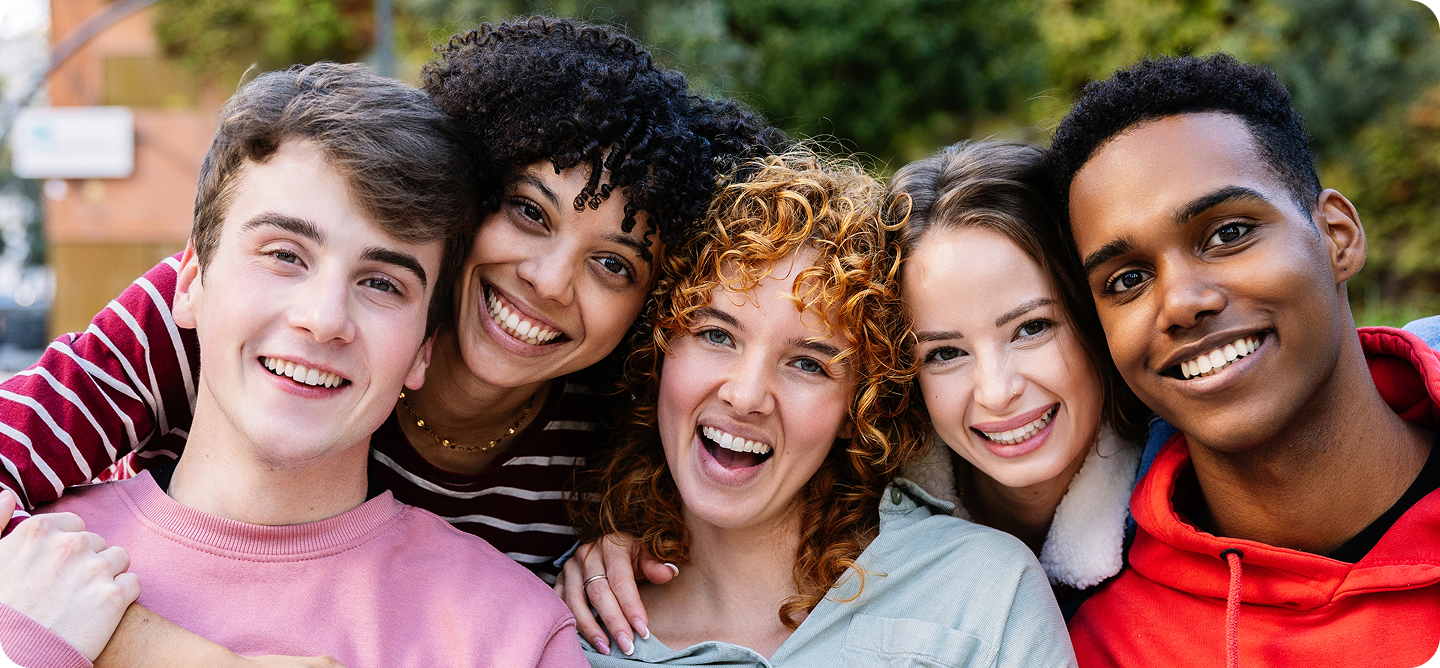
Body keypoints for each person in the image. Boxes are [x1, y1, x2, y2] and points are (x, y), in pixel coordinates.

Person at [0, 15, 779, 665]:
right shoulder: (194, 323)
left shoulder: (613, 430)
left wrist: (605, 551)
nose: (549, 279)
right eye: (530, 213)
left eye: (612, 263)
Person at [1, 62, 585, 668]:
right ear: (192, 282)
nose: (324, 317)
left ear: (422, 351)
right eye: (284, 254)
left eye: (382, 284)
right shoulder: (28, 566)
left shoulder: (513, 638)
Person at [562, 149, 1077, 667]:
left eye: (808, 364)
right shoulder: (566, 623)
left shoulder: (982, 595)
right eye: (716, 334)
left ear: (860, 405)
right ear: (659, 347)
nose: (744, 396)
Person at [1047, 54, 1440, 666]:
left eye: (1228, 233)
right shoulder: (1101, 649)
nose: (1180, 303)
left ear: (1337, 236)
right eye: (1126, 279)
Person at [888, 141, 1149, 616]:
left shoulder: (1199, 507)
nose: (996, 392)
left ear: (1092, 314)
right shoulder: (861, 541)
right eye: (946, 353)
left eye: (1031, 328)